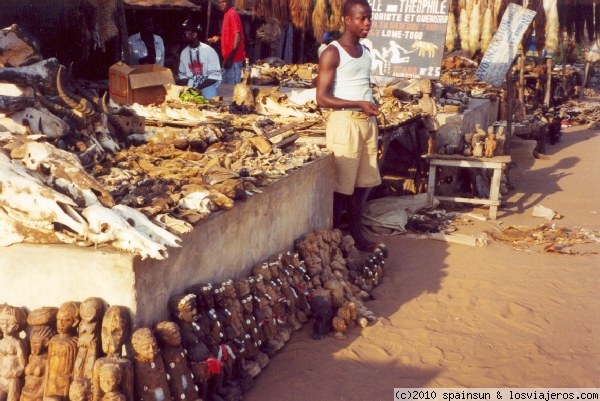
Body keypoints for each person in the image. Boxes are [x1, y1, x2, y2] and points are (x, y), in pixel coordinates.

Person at [316, 0, 384, 254]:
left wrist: (370, 107)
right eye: (361, 18)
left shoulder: (365, 51)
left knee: (363, 182)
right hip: (345, 123)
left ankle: (355, 233)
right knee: (341, 187)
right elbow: (322, 98)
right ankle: (335, 239)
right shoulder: (332, 53)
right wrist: (358, 103)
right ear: (347, 20)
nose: (367, 23)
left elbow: (362, 84)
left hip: (367, 123)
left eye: (369, 18)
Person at [178, 19, 222, 99]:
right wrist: (190, 87)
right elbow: (182, 75)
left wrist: (198, 89)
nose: (183, 34)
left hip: (207, 87)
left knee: (208, 100)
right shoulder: (184, 53)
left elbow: (214, 77)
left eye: (186, 31)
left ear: (194, 34)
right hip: (190, 88)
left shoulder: (209, 51)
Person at [207, 0, 245, 84]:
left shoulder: (232, 14)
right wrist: (219, 38)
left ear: (230, 2)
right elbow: (231, 36)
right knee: (225, 88)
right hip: (229, 59)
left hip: (233, 59)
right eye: (220, 2)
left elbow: (237, 38)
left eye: (224, 1)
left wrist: (230, 59)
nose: (221, 4)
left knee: (232, 90)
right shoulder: (227, 14)